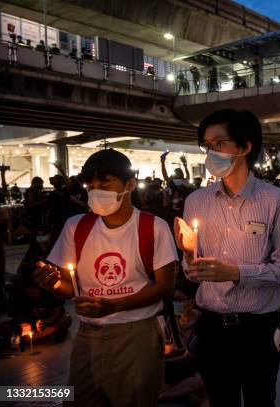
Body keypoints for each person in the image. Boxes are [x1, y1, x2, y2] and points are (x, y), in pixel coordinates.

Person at [33, 149, 178, 407]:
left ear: (130, 184)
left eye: (105, 182)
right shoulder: (76, 226)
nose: (96, 190)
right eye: (91, 184)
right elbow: (69, 287)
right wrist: (53, 283)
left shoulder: (153, 227)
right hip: (87, 335)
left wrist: (116, 305)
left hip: (136, 334)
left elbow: (165, 286)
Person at [173, 109, 280, 407]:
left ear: (244, 146)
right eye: (207, 145)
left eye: (219, 143)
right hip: (212, 328)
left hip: (259, 328)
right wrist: (189, 253)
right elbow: (191, 273)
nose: (211, 152)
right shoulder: (196, 201)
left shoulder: (276, 201)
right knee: (221, 400)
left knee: (260, 399)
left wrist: (234, 271)